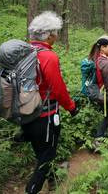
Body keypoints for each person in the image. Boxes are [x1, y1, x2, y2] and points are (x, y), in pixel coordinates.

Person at [23, 11, 79, 194]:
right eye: (55, 33)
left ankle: (53, 178)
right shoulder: (48, 56)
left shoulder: (24, 52)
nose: (56, 36)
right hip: (45, 116)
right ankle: (32, 189)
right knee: (47, 155)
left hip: (25, 114)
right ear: (47, 35)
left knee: (41, 151)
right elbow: (58, 88)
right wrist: (71, 107)